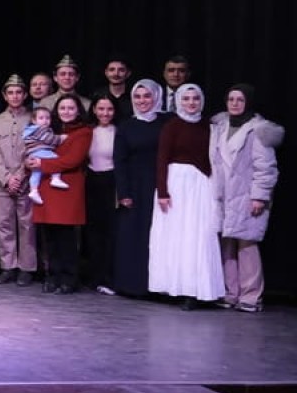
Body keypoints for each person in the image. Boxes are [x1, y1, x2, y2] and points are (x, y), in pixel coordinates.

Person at [208, 84, 283, 312]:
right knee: (227, 245)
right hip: (223, 195)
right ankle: (230, 293)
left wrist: (259, 196)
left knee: (246, 245)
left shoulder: (257, 130)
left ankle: (251, 296)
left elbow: (266, 168)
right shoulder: (219, 127)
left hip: (246, 196)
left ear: (248, 102)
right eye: (231, 99)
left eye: (239, 100)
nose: (234, 104)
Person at [149, 83, 222, 309]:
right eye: (187, 99)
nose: (191, 103)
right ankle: (174, 287)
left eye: (195, 98)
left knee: (197, 236)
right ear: (179, 101)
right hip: (175, 185)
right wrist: (163, 192)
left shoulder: (210, 127)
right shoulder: (172, 126)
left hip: (200, 186)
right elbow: (162, 159)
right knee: (175, 236)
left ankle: (195, 290)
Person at [26, 94, 92, 295]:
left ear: (78, 111)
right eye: (62, 108)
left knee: (66, 237)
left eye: (71, 108)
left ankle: (69, 278)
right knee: (50, 236)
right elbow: (32, 149)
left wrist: (42, 163)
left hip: (68, 187)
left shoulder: (83, 132)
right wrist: (30, 161)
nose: (66, 112)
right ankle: (52, 276)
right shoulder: (49, 129)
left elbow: (72, 160)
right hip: (47, 185)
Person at [111, 78, 164, 297]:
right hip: (134, 187)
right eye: (137, 96)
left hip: (161, 186)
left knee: (158, 236)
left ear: (156, 97)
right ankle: (133, 285)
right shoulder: (126, 126)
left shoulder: (166, 122)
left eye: (147, 96)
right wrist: (123, 192)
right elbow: (119, 161)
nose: (142, 101)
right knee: (134, 235)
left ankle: (158, 286)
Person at [0, 74, 36, 285]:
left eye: (18, 92)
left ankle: (27, 268)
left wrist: (21, 175)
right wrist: (7, 178)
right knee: (4, 224)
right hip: (2, 183)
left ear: (25, 95)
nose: (15, 96)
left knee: (27, 225)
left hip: (27, 180)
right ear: (4, 95)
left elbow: (36, 149)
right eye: (11, 93)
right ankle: (8, 266)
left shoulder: (33, 119)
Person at [84, 94, 119, 294]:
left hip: (112, 181)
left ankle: (108, 277)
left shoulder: (119, 131)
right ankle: (94, 276)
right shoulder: (88, 131)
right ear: (94, 110)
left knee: (110, 232)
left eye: (109, 109)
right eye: (101, 109)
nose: (105, 113)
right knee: (92, 232)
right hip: (91, 181)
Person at [22, 107, 67, 205]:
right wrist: (60, 138)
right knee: (55, 159)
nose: (45, 121)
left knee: (37, 172)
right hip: (40, 151)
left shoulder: (30, 130)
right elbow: (49, 139)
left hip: (33, 154)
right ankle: (55, 178)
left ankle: (33, 190)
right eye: (41, 118)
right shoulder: (40, 129)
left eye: (48, 118)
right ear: (34, 120)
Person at [93, 55, 133, 120]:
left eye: (121, 70)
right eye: (112, 70)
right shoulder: (97, 95)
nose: (116, 73)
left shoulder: (135, 96)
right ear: (106, 72)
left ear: (128, 73)